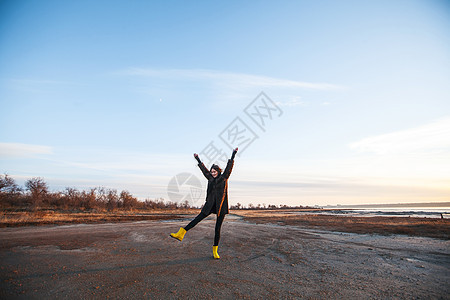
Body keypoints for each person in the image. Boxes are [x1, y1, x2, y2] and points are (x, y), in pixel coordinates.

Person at [170, 147, 238, 259]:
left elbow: (229, 167)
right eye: (211, 172)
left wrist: (233, 154)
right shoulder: (210, 178)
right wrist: (198, 159)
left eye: (214, 172)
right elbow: (204, 170)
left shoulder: (224, 178)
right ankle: (181, 233)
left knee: (217, 228)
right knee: (197, 219)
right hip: (210, 204)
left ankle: (215, 251)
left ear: (218, 171)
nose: (212, 173)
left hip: (221, 206)